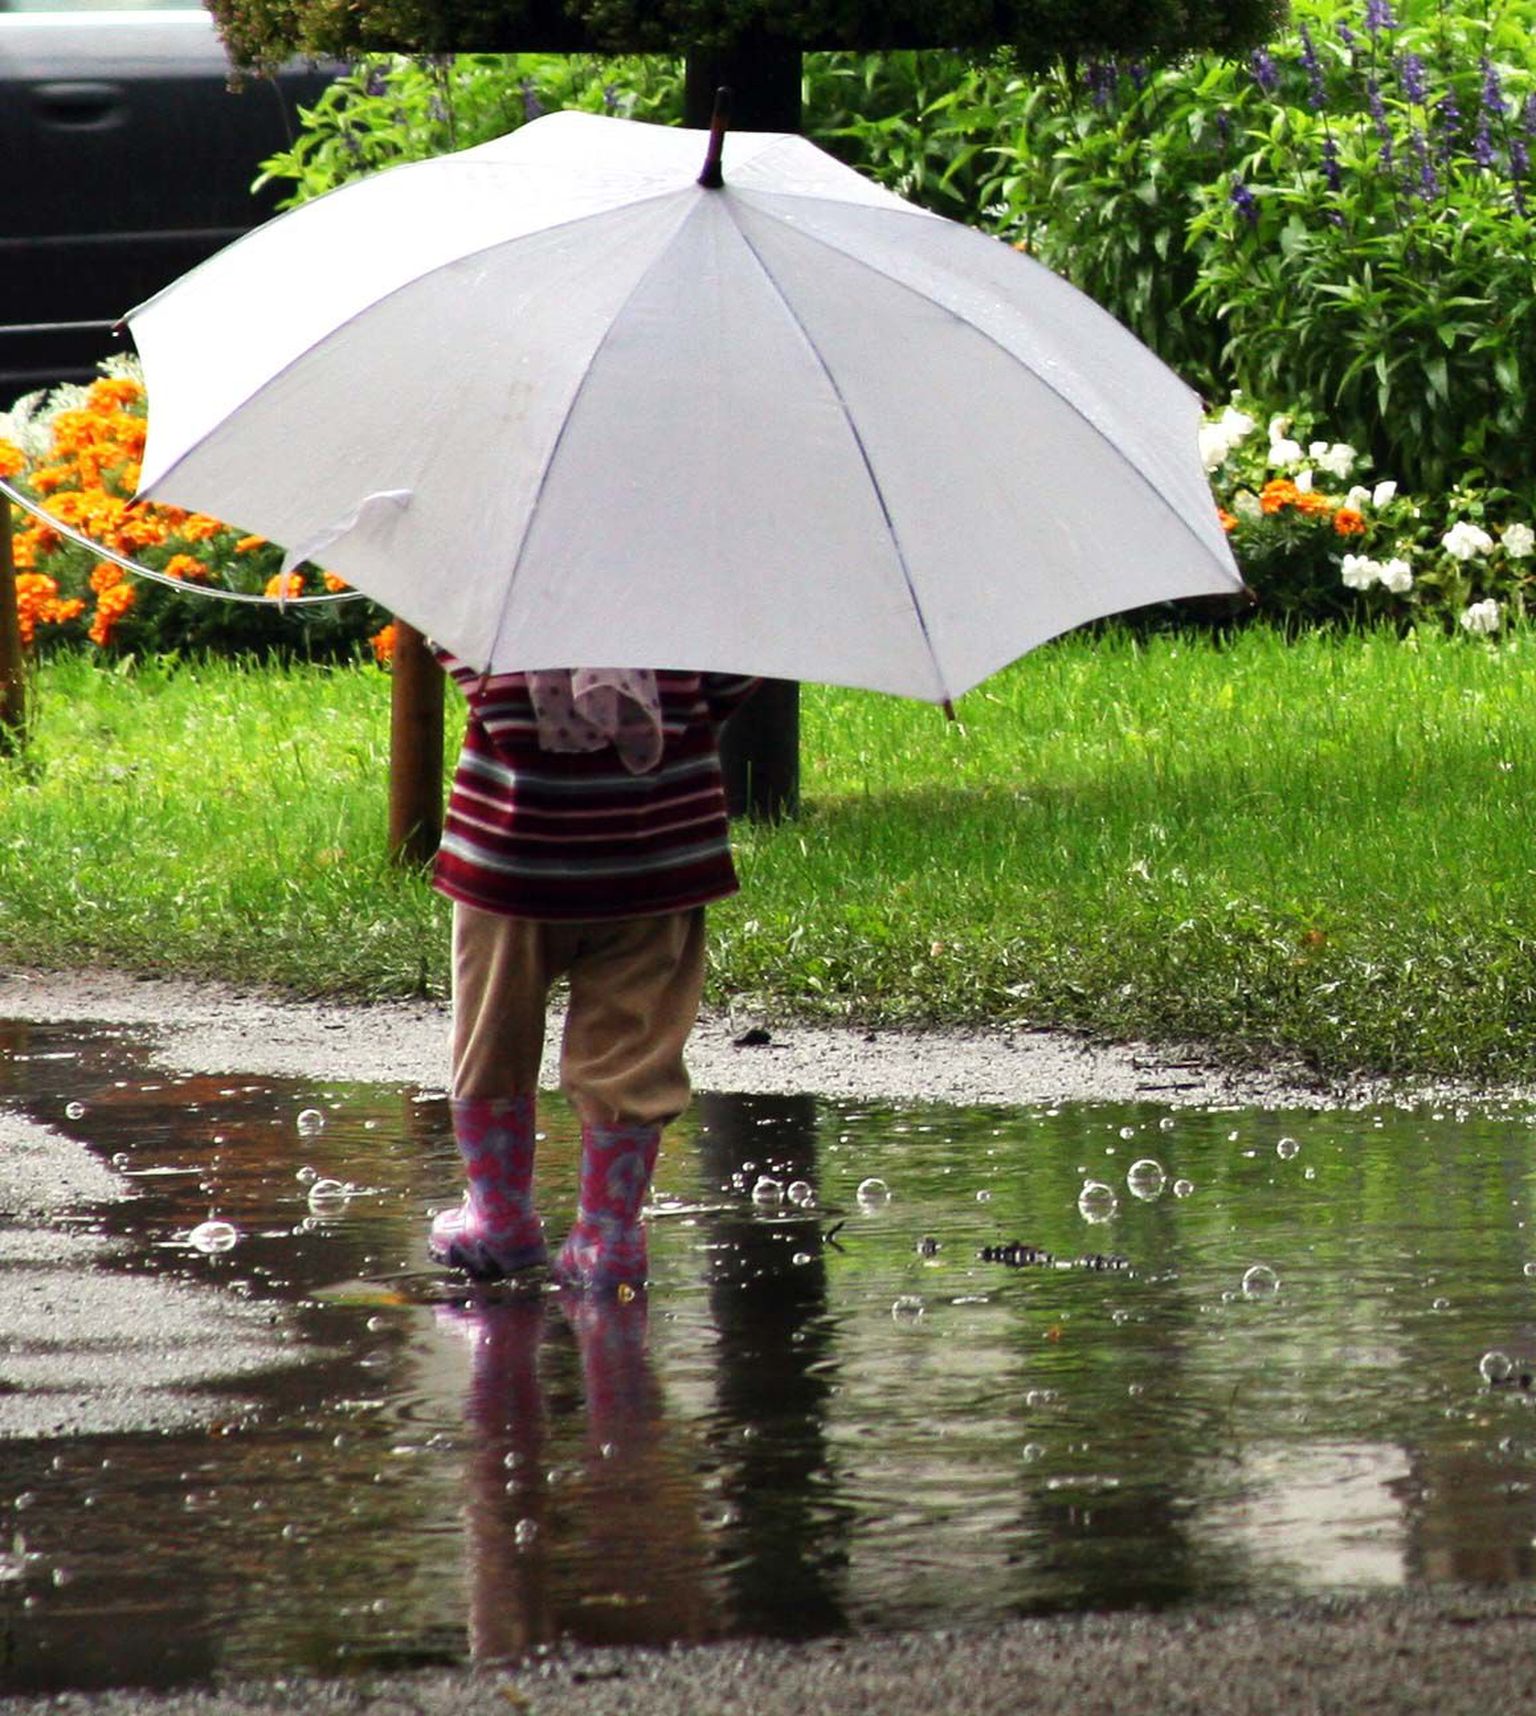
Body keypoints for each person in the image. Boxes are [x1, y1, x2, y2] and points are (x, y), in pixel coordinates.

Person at [427, 661, 759, 1293]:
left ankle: (498, 1219)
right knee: (632, 1048)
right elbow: (731, 680)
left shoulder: (512, 599)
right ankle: (609, 1236)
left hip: (515, 853)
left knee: (493, 1031)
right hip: (659, 853)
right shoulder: (691, 591)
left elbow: (471, 655)